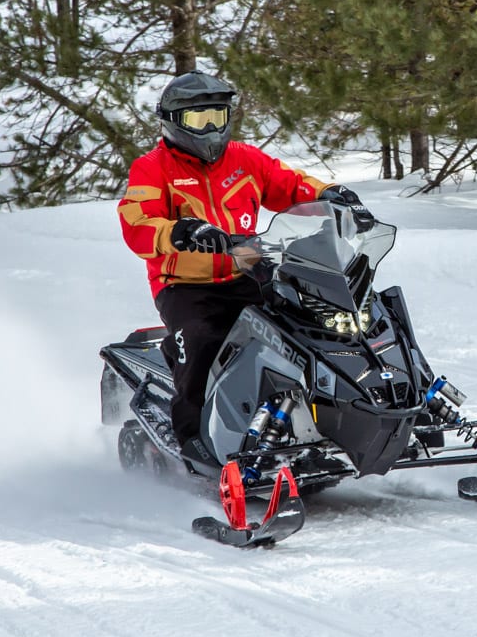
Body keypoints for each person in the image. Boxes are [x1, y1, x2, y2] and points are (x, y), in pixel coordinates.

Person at [117, 71, 375, 469]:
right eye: (197, 119)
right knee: (205, 340)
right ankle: (195, 442)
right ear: (171, 121)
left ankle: (337, 415)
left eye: (216, 117)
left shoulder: (244, 158)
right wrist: (180, 231)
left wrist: (330, 194)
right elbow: (136, 223)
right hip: (186, 285)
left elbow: (288, 184)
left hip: (248, 271)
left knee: (308, 324)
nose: (209, 128)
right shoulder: (152, 168)